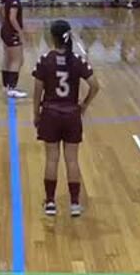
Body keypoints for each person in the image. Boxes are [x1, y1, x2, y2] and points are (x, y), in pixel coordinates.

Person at [32, 19, 99, 218]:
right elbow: (95, 85)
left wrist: (36, 114)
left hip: (51, 113)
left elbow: (37, 91)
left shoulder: (45, 59)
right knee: (72, 160)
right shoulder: (77, 60)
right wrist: (84, 105)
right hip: (71, 115)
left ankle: (51, 202)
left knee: (52, 159)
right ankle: (75, 204)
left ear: (52, 37)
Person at [0, 0, 27, 98]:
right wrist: (20, 32)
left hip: (6, 31)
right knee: (17, 60)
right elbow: (12, 17)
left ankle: (6, 86)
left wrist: (3, 24)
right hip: (12, 33)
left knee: (7, 59)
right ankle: (12, 88)